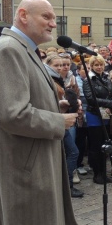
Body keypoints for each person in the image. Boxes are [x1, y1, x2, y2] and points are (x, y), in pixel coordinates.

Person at [0, 0, 78, 224]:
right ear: (23, 15)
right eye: (46, 17)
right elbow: (12, 114)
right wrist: (58, 121)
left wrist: (56, 106)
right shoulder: (10, 49)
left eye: (54, 18)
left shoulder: (21, 48)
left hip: (25, 161)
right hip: (23, 168)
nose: (53, 24)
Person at [45, 54, 83, 197]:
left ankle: (65, 185)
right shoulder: (49, 80)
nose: (61, 67)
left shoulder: (61, 79)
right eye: (57, 65)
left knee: (70, 151)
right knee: (72, 152)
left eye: (62, 65)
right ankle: (66, 186)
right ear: (48, 65)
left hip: (63, 119)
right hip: (54, 120)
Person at [83, 55, 112, 184]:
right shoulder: (88, 80)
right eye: (96, 65)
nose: (99, 67)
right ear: (91, 66)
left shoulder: (106, 78)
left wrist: (111, 104)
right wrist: (109, 104)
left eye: (101, 65)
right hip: (94, 115)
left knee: (105, 144)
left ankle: (103, 172)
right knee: (96, 145)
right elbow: (91, 99)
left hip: (106, 115)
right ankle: (97, 174)